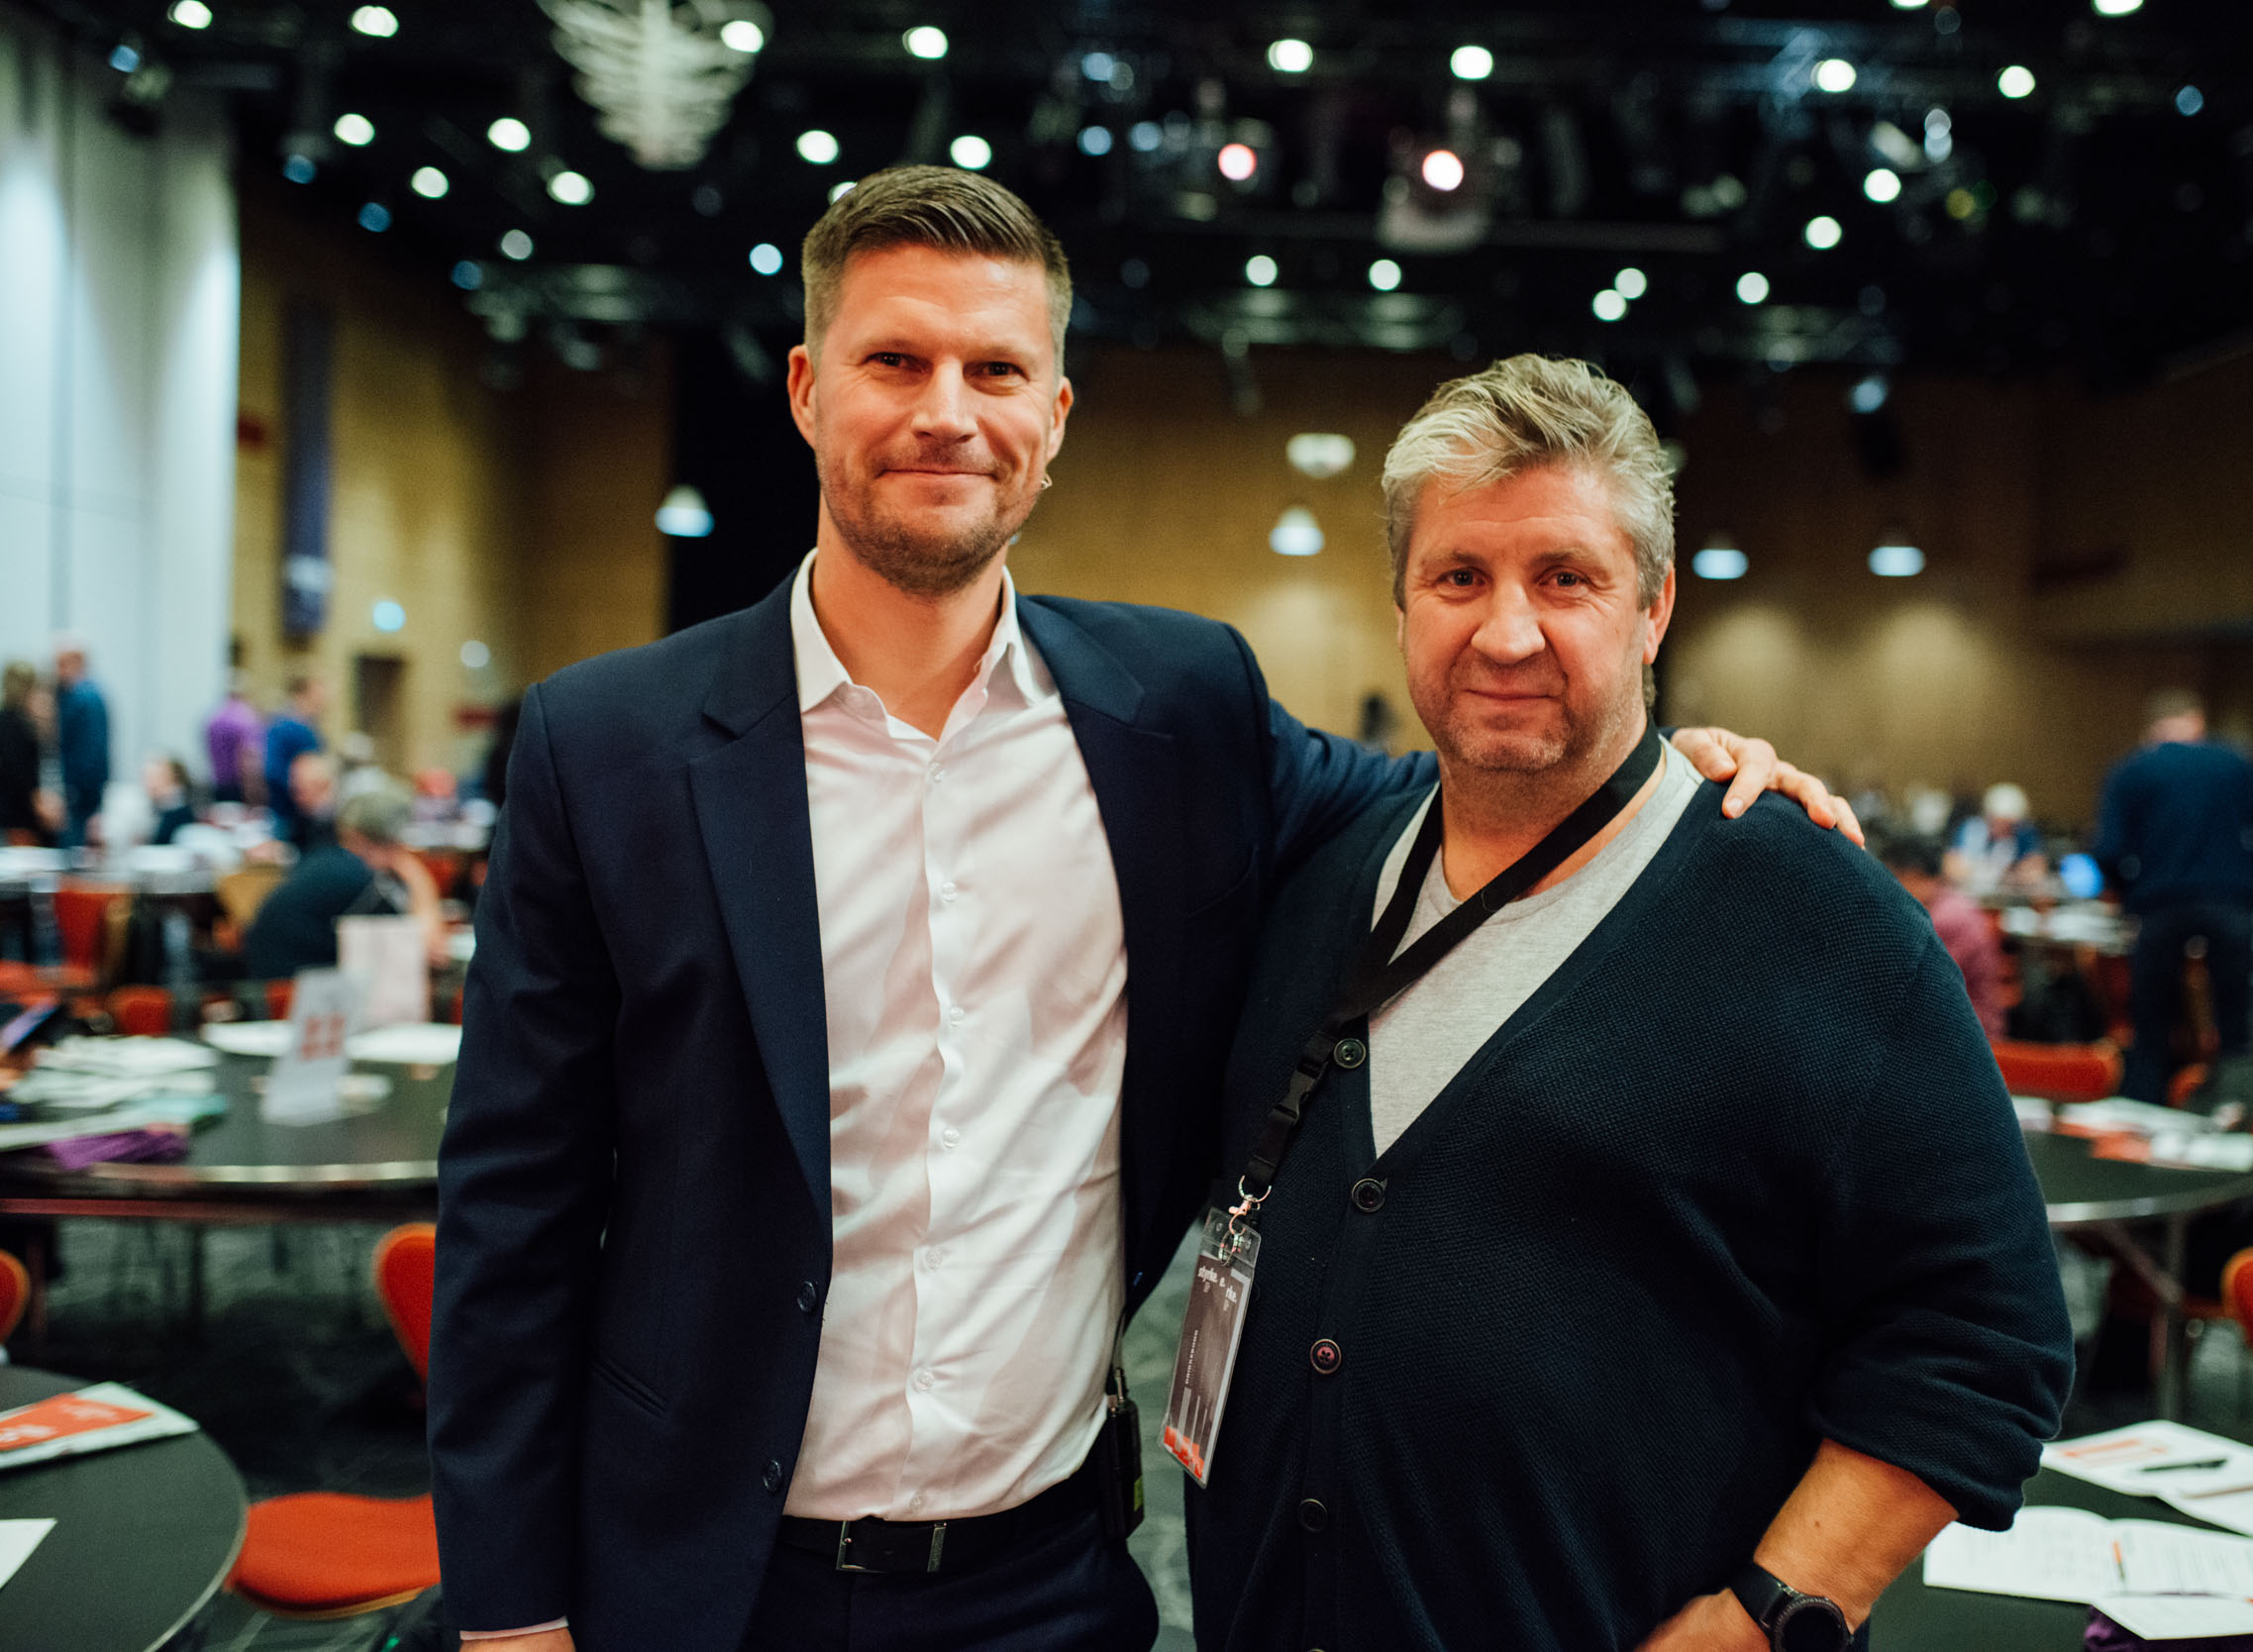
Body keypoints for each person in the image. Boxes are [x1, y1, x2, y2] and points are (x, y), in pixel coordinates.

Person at [429, 167, 1854, 1652]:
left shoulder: (1182, 712)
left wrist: (1656, 765)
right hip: (698, 1579)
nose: (947, 410)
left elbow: (1458, 803)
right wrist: (513, 1613)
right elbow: (511, 1221)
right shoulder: (604, 749)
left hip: (1050, 1582)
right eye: (894, 361)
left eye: (997, 370)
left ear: (1052, 417)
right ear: (804, 388)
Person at [1185, 357, 2072, 1652]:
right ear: (1401, 604)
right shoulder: (1321, 879)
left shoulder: (1816, 923)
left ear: (1654, 608)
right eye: (1459, 578)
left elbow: (1984, 1333)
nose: (1506, 631)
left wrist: (1772, 1613)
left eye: (1567, 578)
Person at [2095, 688, 2253, 1102]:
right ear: (2198, 722)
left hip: (2159, 905)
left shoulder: (2133, 769)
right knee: (2235, 1023)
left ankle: (2146, 1116)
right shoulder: (2235, 762)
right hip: (2231, 903)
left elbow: (2108, 850)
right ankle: (2235, 1112)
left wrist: (2132, 897)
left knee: (2152, 1025)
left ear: (2153, 730)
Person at [243, 781, 442, 981]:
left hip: (271, 983)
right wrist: (417, 875)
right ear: (392, 841)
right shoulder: (360, 880)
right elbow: (428, 949)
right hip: (290, 993)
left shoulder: (326, 859)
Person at [1883, 832, 2007, 1041]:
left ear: (1912, 874)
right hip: (1958, 1025)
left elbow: (1915, 987)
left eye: (1893, 876)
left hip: (1969, 1038)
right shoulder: (1947, 902)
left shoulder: (1947, 919)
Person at [51, 638, 109, 854]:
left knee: (75, 848)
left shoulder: (82, 697)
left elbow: (89, 748)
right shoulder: (92, 693)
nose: (56, 671)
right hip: (87, 784)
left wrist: (73, 785)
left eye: (60, 664)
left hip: (80, 786)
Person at [1946, 781, 2046, 893]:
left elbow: (2035, 870)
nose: (2001, 827)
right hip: (1968, 894)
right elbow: (1951, 868)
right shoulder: (1969, 828)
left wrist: (2014, 874)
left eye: (2008, 824)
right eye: (1996, 821)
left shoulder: (2024, 834)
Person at [263, 676, 328, 843]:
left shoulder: (308, 725)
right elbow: (272, 770)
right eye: (320, 688)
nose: (325, 694)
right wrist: (299, 790)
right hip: (289, 813)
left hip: (308, 815)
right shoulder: (287, 726)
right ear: (303, 692)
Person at [0, 663, 56, 848]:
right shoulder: (15, 725)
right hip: (18, 815)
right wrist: (38, 801)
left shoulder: (9, 720)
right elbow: (20, 772)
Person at [204, 673, 263, 805]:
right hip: (239, 786)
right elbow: (249, 756)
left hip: (217, 783)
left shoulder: (213, 717)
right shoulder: (245, 717)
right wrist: (254, 791)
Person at [145, 755, 200, 844]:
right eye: (147, 777)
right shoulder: (155, 806)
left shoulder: (177, 810)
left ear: (174, 779)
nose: (148, 783)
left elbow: (160, 842)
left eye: (156, 777)